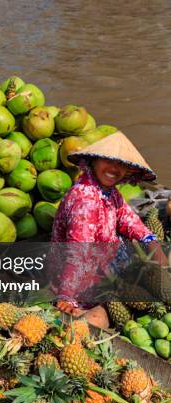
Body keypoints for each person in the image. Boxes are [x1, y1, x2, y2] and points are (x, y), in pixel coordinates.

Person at [51, 131, 167, 327]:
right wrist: (67, 297)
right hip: (78, 277)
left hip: (105, 263)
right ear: (93, 161)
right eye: (109, 161)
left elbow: (128, 219)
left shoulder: (110, 192)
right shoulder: (84, 200)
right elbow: (77, 254)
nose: (115, 169)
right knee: (97, 319)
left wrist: (150, 241)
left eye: (122, 165)